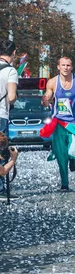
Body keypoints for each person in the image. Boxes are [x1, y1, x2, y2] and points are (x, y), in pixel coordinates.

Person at [41, 56, 75, 191]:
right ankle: (65, 183)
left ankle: (72, 158)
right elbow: (48, 97)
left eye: (68, 65)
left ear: (72, 67)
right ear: (58, 67)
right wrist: (45, 101)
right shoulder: (52, 82)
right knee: (60, 153)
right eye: (63, 65)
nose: (66, 68)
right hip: (59, 122)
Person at [0, 40, 18, 198]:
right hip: (1, 115)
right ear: (13, 53)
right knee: (1, 150)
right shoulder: (10, 71)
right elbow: (11, 97)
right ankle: (0, 189)